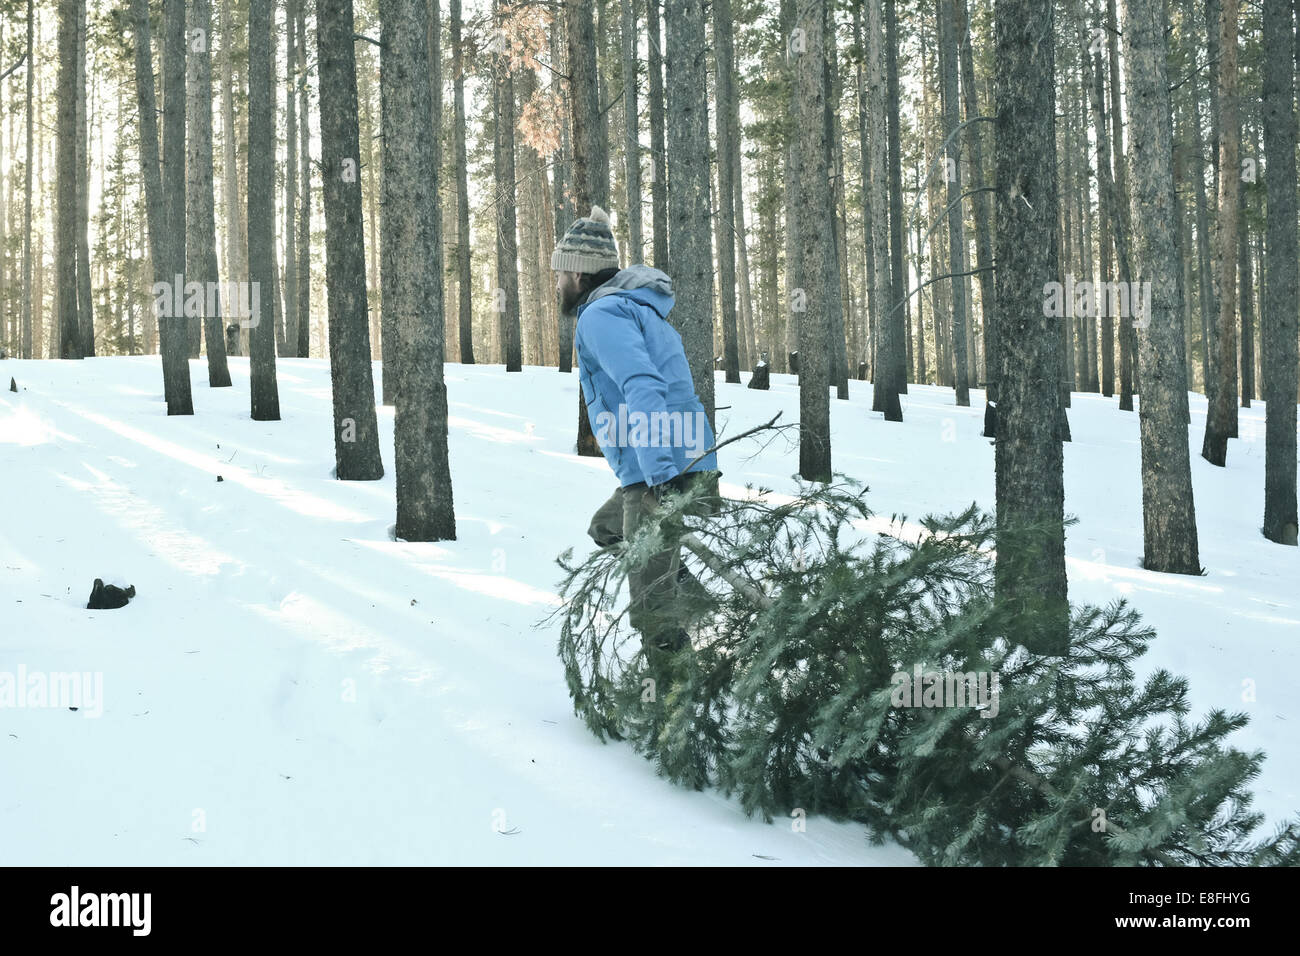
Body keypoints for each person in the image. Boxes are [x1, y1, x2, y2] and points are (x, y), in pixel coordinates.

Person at [553, 205, 719, 670]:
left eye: (563, 273)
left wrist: (660, 477)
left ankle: (675, 713)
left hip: (658, 471)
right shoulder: (633, 308)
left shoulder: (601, 316)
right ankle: (695, 602)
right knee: (606, 529)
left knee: (652, 612)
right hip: (678, 460)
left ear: (581, 276)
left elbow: (643, 387)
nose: (559, 283)